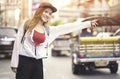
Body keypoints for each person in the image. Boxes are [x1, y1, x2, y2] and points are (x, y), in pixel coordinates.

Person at [10, 2, 98, 79]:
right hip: (24, 61)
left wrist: (88, 24)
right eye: (46, 11)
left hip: (38, 63)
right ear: (39, 11)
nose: (47, 15)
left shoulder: (47, 30)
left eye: (50, 13)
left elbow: (67, 27)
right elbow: (17, 44)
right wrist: (14, 63)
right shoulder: (27, 24)